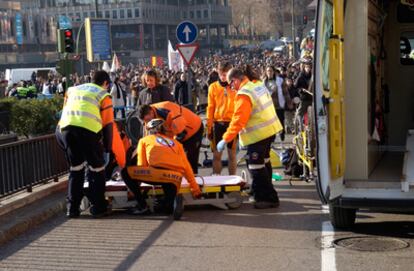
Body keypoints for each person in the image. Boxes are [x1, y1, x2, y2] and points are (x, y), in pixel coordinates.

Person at [217, 66, 283, 209]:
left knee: (256, 166)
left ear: (235, 81)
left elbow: (238, 120)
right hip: (269, 131)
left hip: (258, 135)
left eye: (230, 84)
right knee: (264, 163)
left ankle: (268, 198)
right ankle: (259, 190)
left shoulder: (244, 94)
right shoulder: (257, 85)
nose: (231, 87)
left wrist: (226, 138)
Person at [57, 70, 114, 218]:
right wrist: (107, 150)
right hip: (88, 131)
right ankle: (98, 207)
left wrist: (64, 144)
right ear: (106, 83)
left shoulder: (72, 90)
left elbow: (63, 117)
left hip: (66, 130)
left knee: (76, 169)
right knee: (97, 169)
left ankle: (72, 209)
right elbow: (108, 126)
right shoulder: (103, 95)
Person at [122, 118, 202, 215]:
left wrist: (135, 188)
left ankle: (142, 206)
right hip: (175, 177)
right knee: (167, 210)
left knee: (125, 172)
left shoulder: (144, 140)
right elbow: (187, 167)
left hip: (157, 174)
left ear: (149, 130)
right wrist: (195, 188)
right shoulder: (177, 144)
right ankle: (172, 204)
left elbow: (142, 164)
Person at [138, 101, 203, 174]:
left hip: (193, 129)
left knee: (190, 159)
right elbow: (148, 138)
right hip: (175, 131)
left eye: (148, 120)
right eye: (145, 121)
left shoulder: (167, 111)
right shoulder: (149, 116)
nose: (148, 122)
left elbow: (180, 134)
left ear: (151, 112)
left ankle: (194, 179)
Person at [206, 61, 237, 175]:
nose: (224, 77)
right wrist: (208, 128)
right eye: (221, 74)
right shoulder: (213, 87)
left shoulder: (235, 87)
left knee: (232, 154)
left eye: (226, 74)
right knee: (217, 155)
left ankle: (233, 181)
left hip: (232, 124)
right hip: (218, 124)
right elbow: (210, 108)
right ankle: (216, 180)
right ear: (218, 73)